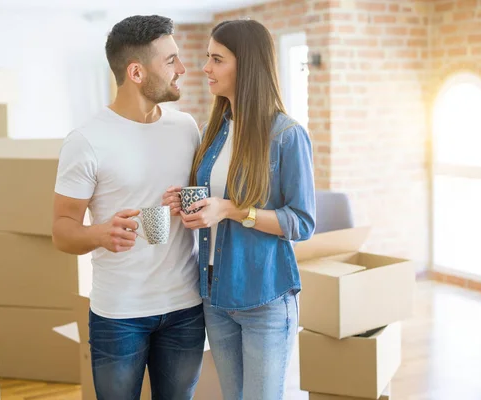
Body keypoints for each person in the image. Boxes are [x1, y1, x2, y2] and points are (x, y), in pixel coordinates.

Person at [52, 15, 204, 400]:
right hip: (120, 315)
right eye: (170, 61)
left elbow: (201, 206)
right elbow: (62, 230)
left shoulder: (186, 127)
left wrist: (194, 204)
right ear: (136, 72)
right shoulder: (86, 140)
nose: (183, 69)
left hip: (186, 307)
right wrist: (99, 233)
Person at [163, 19, 316, 400]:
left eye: (217, 60)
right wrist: (189, 202)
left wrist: (233, 210)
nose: (205, 68)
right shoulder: (215, 130)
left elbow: (302, 222)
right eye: (207, 58)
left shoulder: (286, 136)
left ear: (245, 66)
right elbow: (215, 198)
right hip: (214, 295)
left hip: (265, 297)